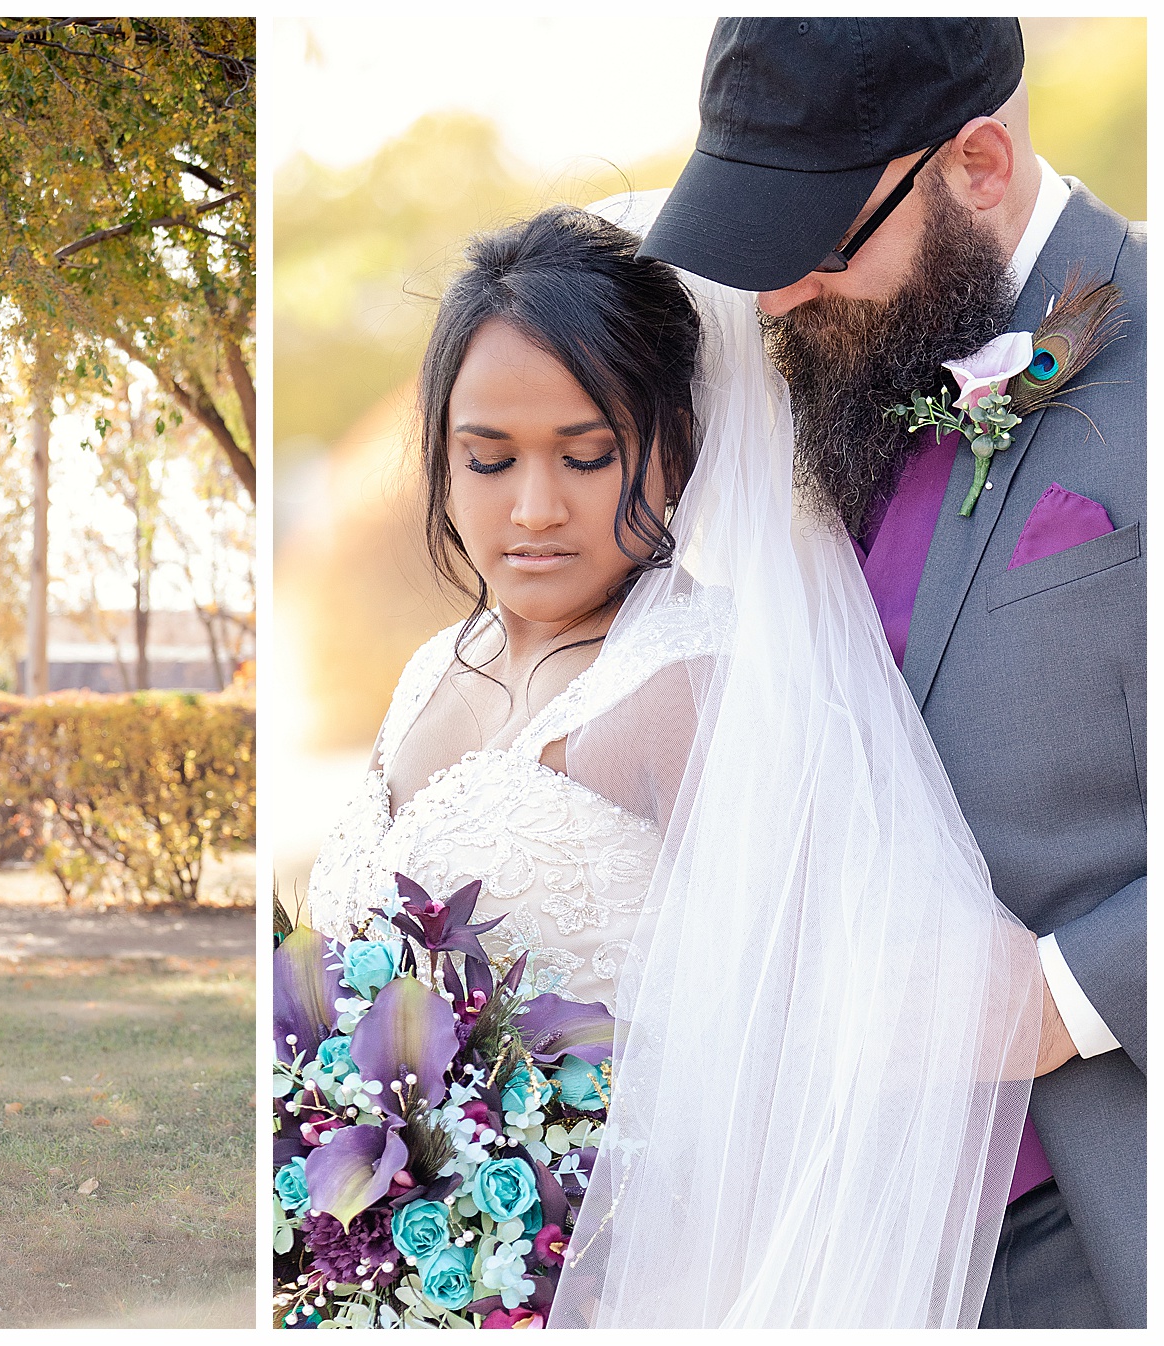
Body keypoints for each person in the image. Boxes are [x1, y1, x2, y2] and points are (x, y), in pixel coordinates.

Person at [304, 202, 1042, 1327]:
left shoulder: (700, 684)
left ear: (676, 444)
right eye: (487, 459)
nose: (535, 507)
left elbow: (800, 1088)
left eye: (589, 455)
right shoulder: (429, 669)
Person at [637, 18, 1144, 1329]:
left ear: (978, 163)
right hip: (842, 1230)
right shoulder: (817, 366)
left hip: (1103, 1227)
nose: (772, 296)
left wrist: (1064, 996)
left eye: (814, 245)